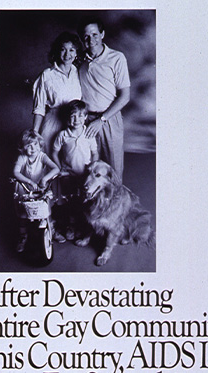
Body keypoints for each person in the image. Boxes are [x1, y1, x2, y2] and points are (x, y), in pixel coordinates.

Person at [77, 16, 131, 181]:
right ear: (82, 38)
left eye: (94, 34)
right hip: (85, 121)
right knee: (88, 169)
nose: (91, 39)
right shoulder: (79, 60)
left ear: (102, 34)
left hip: (108, 119)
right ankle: (94, 205)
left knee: (112, 170)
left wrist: (101, 119)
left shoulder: (117, 58)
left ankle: (115, 205)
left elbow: (125, 97)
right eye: (86, 36)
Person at [52, 100, 99, 240]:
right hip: (68, 174)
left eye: (80, 116)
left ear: (85, 117)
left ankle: (83, 227)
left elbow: (95, 153)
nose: (76, 120)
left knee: (84, 201)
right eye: (72, 116)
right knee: (69, 202)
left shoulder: (89, 134)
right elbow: (54, 152)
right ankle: (70, 226)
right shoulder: (63, 135)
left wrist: (93, 168)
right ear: (67, 119)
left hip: (85, 176)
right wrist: (59, 167)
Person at [32, 31, 83, 154]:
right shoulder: (47, 75)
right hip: (52, 125)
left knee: (72, 165)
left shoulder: (79, 73)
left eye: (71, 50)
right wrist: (34, 133)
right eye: (63, 49)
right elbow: (39, 108)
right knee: (51, 164)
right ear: (57, 51)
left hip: (74, 126)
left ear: (76, 53)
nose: (67, 54)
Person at [13, 129, 60, 252]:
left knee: (46, 212)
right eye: (28, 145)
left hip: (41, 189)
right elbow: (16, 172)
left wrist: (45, 179)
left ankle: (52, 230)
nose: (32, 148)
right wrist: (29, 182)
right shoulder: (22, 157)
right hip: (25, 189)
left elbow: (56, 169)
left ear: (40, 145)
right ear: (22, 148)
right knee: (23, 215)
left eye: (35, 145)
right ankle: (23, 236)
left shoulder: (42, 156)